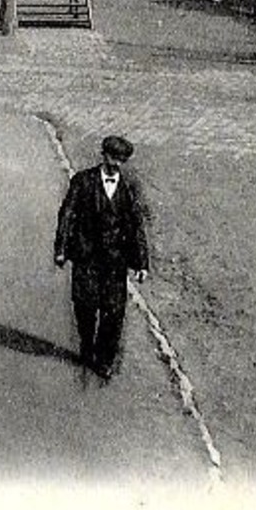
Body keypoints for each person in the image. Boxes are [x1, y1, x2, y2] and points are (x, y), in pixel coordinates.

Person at [55, 135, 151, 380]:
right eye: (113, 158)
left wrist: (141, 263)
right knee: (85, 307)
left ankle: (105, 360)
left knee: (114, 311)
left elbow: (135, 225)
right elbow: (68, 214)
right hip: (86, 257)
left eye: (121, 160)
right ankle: (87, 347)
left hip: (115, 261)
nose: (116, 164)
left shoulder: (129, 187)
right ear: (103, 155)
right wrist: (61, 248)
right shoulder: (83, 181)